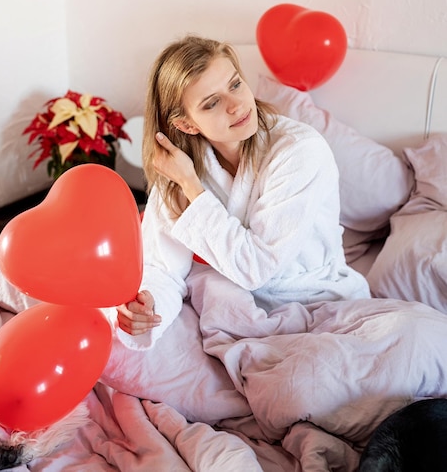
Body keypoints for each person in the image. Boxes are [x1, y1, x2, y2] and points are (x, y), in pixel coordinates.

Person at [115, 35, 370, 348]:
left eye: (235, 85)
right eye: (212, 103)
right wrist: (148, 308)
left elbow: (256, 269)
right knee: (119, 345)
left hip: (317, 301)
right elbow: (163, 268)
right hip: (229, 305)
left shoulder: (299, 151)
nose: (236, 106)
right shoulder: (181, 169)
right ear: (186, 125)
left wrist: (193, 188)